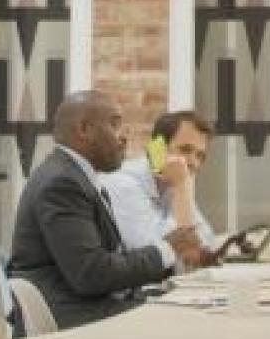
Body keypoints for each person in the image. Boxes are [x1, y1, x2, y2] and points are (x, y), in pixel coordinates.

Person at [8, 91, 204, 330]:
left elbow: (110, 261)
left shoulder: (76, 177)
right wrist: (168, 248)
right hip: (72, 315)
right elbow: (92, 274)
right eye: (115, 124)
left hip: (87, 304)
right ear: (84, 130)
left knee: (184, 309)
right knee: (188, 320)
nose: (125, 137)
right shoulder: (62, 183)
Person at [101, 109, 240, 267]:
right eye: (185, 150)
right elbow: (158, 254)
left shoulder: (171, 185)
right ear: (156, 149)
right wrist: (181, 187)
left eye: (200, 156)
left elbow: (206, 241)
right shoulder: (121, 183)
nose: (193, 162)